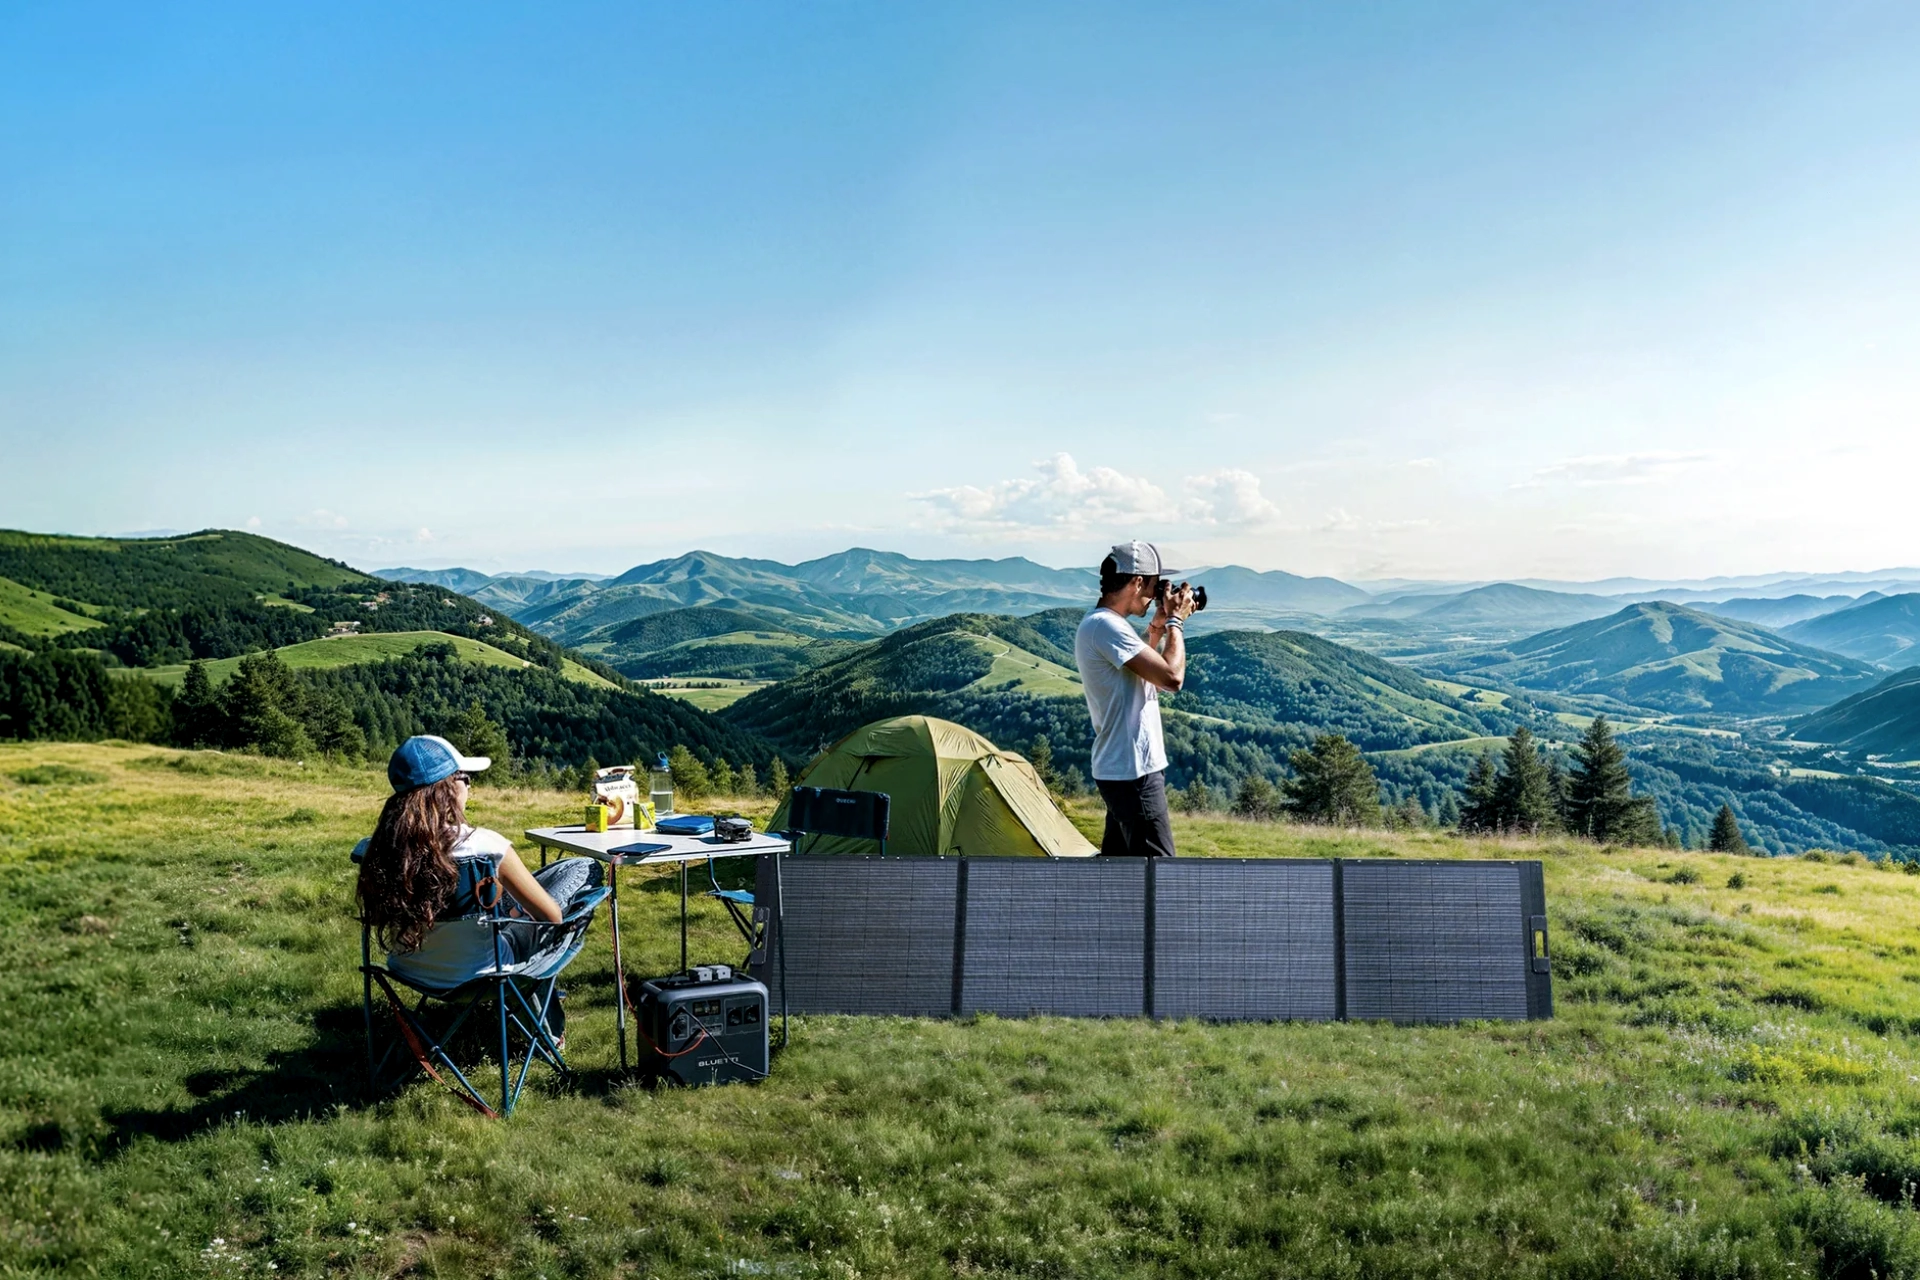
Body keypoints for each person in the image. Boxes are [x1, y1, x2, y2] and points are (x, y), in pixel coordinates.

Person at [356, 735, 602, 1017]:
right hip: (485, 973)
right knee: (583, 869)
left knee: (510, 892)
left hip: (410, 971)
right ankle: (542, 1021)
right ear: (448, 786)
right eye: (466, 778)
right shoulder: (485, 846)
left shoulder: (376, 850)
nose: (469, 786)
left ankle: (509, 916)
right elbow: (553, 918)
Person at [1074, 540, 1198, 857]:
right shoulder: (1105, 626)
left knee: (1120, 871)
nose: (1155, 597)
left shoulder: (1104, 624)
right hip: (1133, 772)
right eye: (1155, 587)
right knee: (1157, 873)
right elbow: (1172, 678)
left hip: (1122, 769)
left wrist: (1156, 630)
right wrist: (1176, 623)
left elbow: (1143, 676)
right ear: (1137, 581)